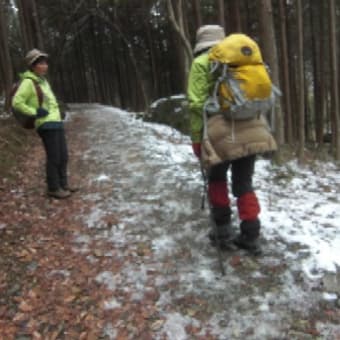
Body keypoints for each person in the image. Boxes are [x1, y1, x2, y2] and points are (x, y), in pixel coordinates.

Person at [187, 25, 277, 254]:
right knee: (244, 182)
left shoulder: (200, 64)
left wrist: (197, 139)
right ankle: (251, 234)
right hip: (254, 125)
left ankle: (223, 230)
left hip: (220, 132)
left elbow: (196, 105)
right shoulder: (240, 60)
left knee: (217, 178)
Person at [12, 49, 77, 199]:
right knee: (54, 156)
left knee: (63, 155)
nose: (45, 65)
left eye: (45, 62)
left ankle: (63, 184)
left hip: (56, 122)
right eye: (41, 63)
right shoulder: (29, 82)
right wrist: (34, 112)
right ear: (33, 66)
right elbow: (17, 102)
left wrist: (58, 112)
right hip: (45, 124)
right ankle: (53, 188)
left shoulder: (44, 81)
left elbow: (49, 101)